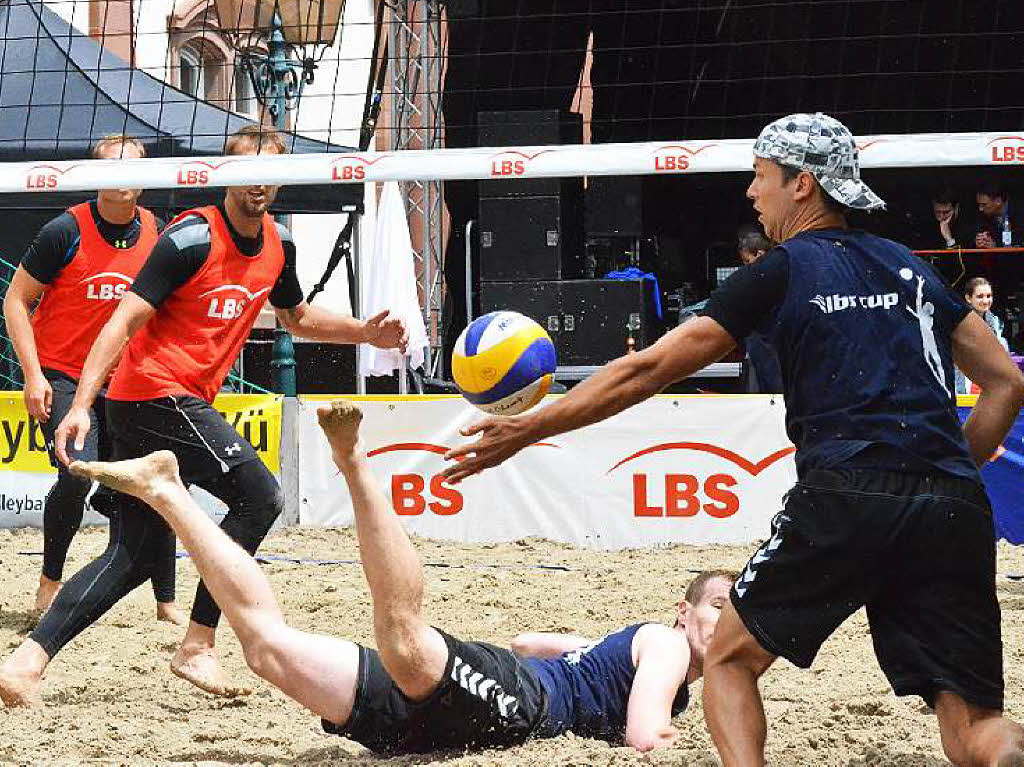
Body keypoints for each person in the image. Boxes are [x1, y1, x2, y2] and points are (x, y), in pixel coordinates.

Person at [442, 112, 1024, 767]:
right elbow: (1003, 383)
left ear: (802, 185)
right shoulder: (908, 266)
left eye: (760, 175)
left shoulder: (783, 269)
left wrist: (530, 426)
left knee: (728, 660)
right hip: (952, 506)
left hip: (848, 492)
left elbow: (649, 367)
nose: (752, 191)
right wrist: (946, 472)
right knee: (976, 727)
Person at [0, 124, 408, 707]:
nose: (256, 185)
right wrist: (83, 404)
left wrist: (363, 332)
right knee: (260, 495)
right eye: (244, 172)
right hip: (151, 396)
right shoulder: (188, 238)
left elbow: (296, 319)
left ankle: (25, 664)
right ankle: (197, 642)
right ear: (223, 173)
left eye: (267, 174)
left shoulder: (279, 246)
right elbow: (122, 323)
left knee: (132, 555)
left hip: (177, 400)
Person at [60, 401, 733, 754]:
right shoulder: (671, 648)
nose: (729, 622)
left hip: (449, 720)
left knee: (267, 648)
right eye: (720, 608)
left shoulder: (632, 645)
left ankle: (169, 492)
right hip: (520, 706)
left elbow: (530, 639)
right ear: (683, 610)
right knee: (407, 642)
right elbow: (647, 734)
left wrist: (581, 662)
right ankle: (355, 463)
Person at [1, 134, 182, 624]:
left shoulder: (158, 235)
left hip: (126, 381)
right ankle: (50, 580)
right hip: (61, 374)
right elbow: (15, 301)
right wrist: (32, 375)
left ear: (145, 182)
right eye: (112, 167)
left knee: (154, 478)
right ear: (93, 174)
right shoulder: (65, 231)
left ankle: (166, 603)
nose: (123, 177)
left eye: (132, 168)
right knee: (76, 472)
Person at [735, 224, 782, 393]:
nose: (747, 266)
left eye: (747, 261)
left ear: (760, 254)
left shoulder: (766, 279)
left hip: (770, 352)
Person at [957, 278, 1010, 394]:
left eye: (988, 296)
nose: (986, 301)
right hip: (963, 389)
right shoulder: (958, 323)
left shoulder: (996, 323)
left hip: (990, 389)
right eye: (980, 296)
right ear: (968, 298)